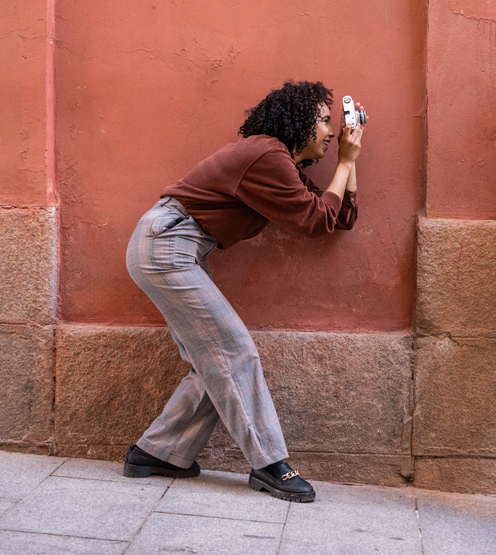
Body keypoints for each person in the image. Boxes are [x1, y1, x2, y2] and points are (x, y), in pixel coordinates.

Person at [123, 80, 364, 503]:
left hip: (179, 246)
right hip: (167, 244)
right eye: (326, 121)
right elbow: (313, 222)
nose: (332, 131)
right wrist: (344, 162)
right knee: (234, 352)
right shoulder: (267, 154)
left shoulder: (282, 165)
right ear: (299, 120)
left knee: (214, 359)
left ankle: (157, 452)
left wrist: (350, 160)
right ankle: (270, 464)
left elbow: (336, 217)